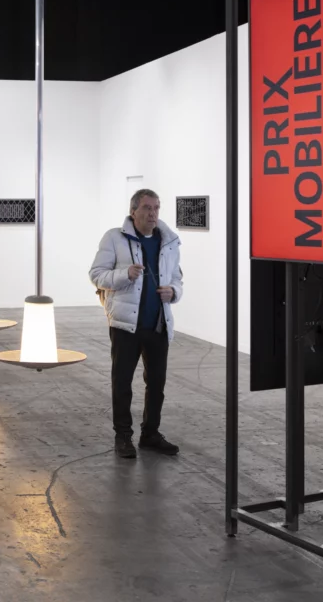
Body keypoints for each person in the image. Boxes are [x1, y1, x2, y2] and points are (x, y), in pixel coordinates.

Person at [89, 189, 183, 459]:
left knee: (156, 384)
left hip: (158, 326)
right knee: (122, 383)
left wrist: (173, 293)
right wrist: (124, 274)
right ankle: (123, 437)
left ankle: (150, 434)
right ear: (134, 211)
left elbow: (177, 279)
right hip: (125, 326)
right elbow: (96, 275)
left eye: (156, 208)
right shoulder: (114, 238)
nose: (152, 213)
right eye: (146, 208)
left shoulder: (169, 242)